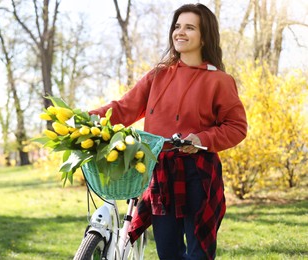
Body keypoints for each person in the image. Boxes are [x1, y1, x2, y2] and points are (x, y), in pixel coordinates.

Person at [90, 3, 247, 259]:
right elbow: (124, 108)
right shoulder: (158, 75)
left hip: (198, 174)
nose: (180, 32)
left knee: (199, 254)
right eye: (177, 26)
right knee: (168, 253)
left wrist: (202, 139)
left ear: (204, 35)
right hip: (160, 173)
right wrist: (89, 118)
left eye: (189, 27)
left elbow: (237, 127)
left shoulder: (219, 80)